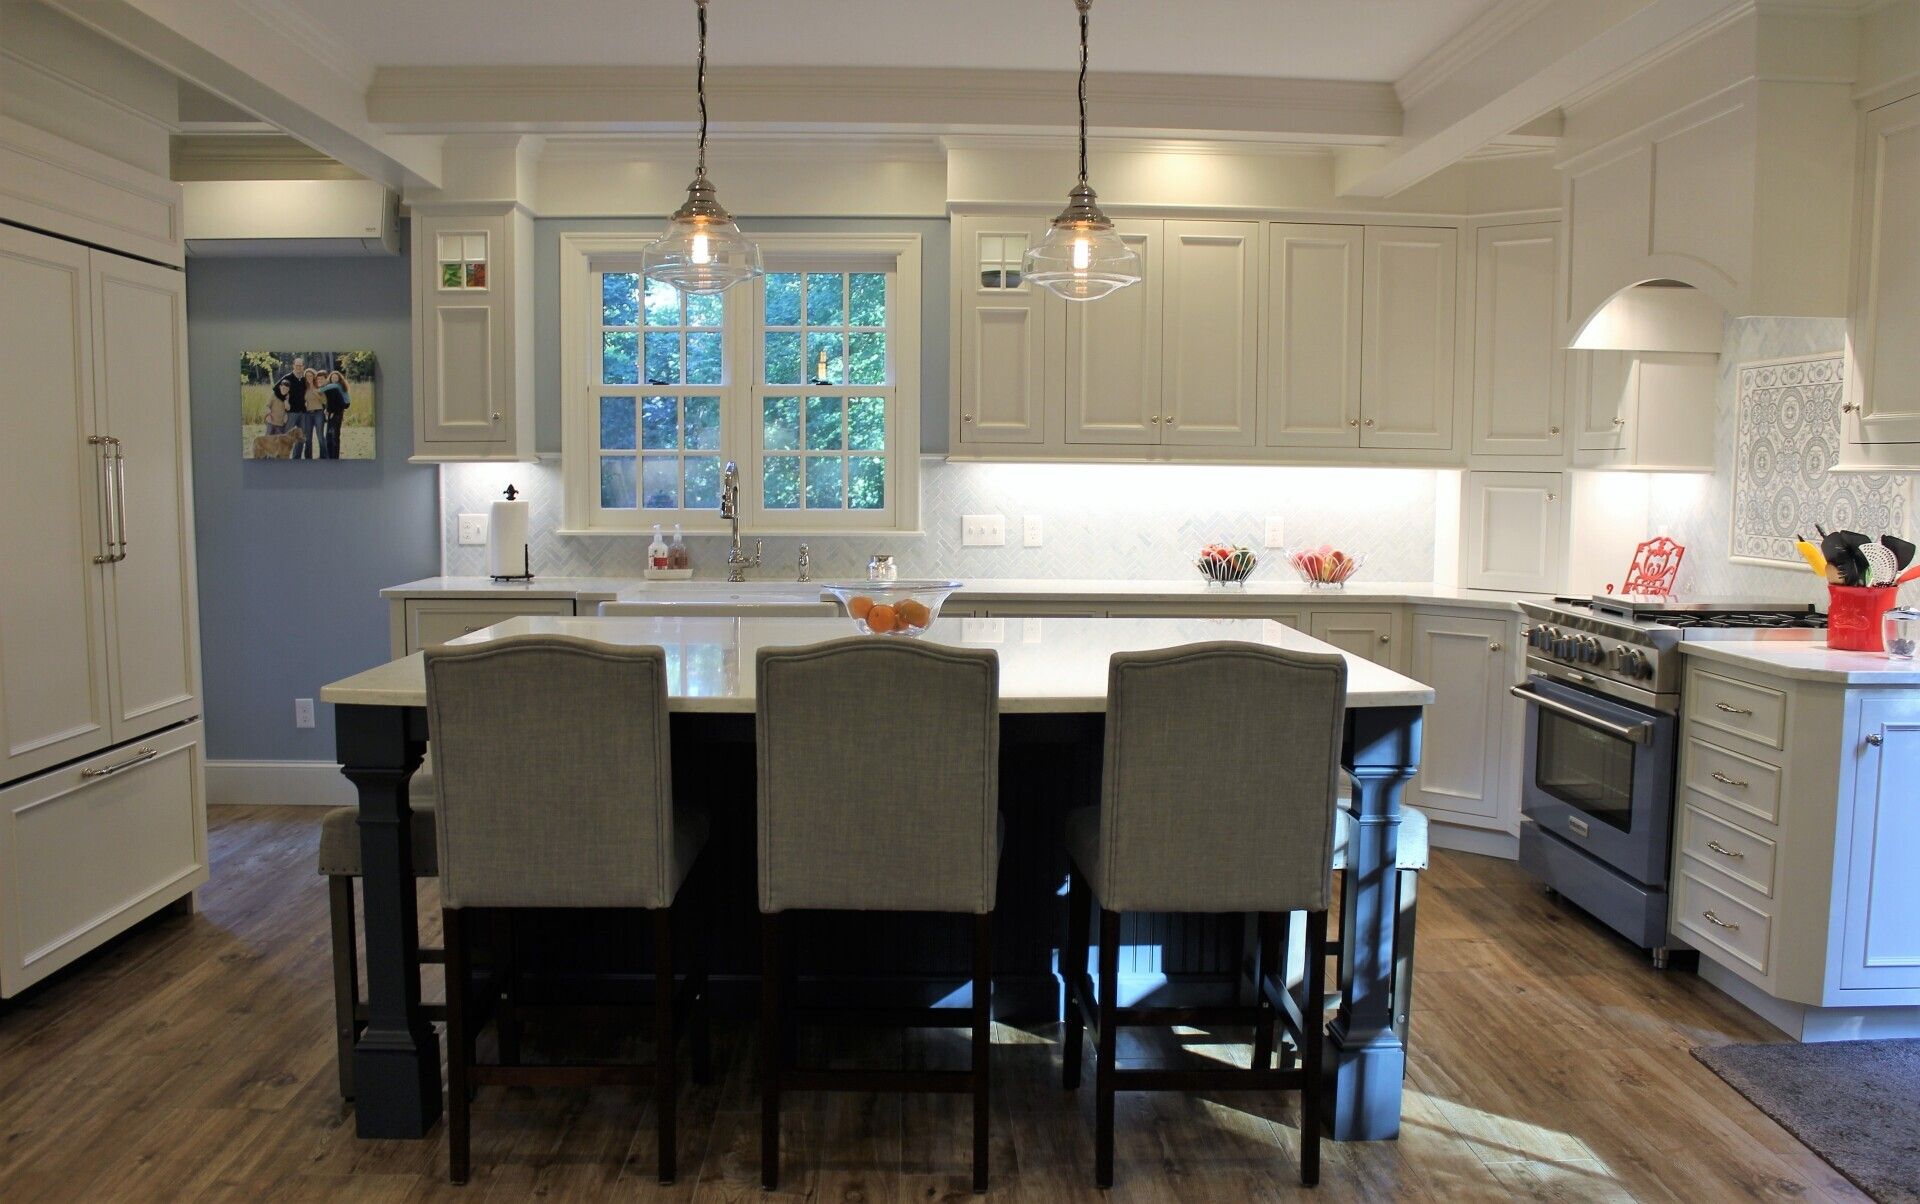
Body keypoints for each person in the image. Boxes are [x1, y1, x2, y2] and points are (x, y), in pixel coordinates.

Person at [275, 357, 316, 459]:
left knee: (300, 437)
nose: (298, 367)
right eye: (296, 365)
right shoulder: (287, 377)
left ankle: (296, 458)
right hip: (291, 413)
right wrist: (284, 399)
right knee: (287, 437)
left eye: (300, 365)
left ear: (303, 367)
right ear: (293, 366)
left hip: (303, 413)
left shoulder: (304, 379)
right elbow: (276, 389)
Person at [317, 369, 351, 459]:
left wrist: (319, 390)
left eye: (336, 377)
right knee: (332, 435)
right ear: (330, 378)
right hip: (339, 410)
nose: (334, 378)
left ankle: (334, 457)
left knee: (333, 435)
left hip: (339, 410)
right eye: (333, 377)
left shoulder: (336, 386)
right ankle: (332, 456)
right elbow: (331, 400)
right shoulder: (338, 387)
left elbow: (336, 401)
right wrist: (327, 409)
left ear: (339, 378)